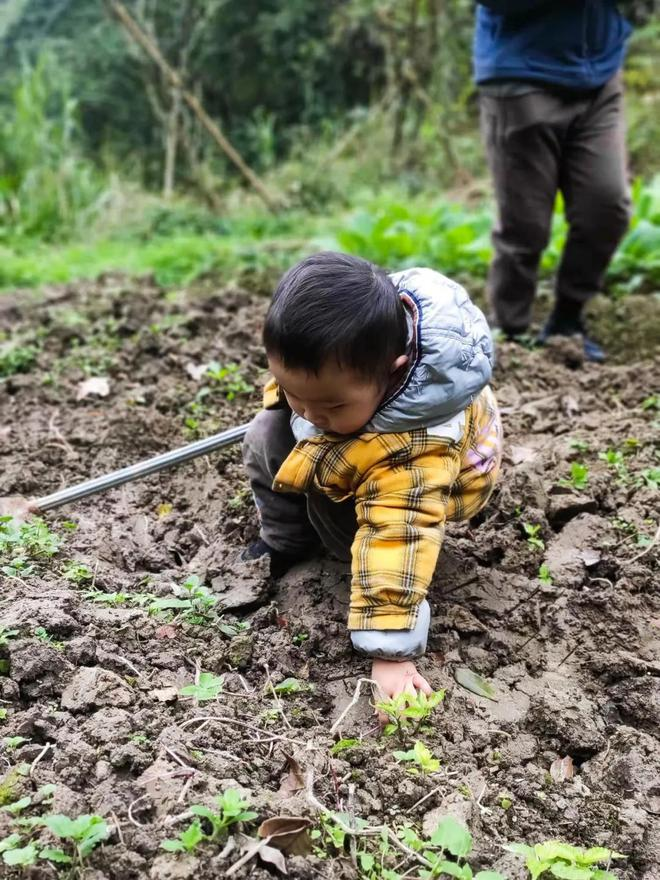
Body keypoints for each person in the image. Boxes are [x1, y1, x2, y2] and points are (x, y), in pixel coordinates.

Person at [242, 252, 502, 702]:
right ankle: (286, 540)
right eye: (294, 392)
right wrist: (304, 406)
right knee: (266, 432)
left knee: (337, 496)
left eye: (331, 405)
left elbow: (398, 530)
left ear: (392, 370)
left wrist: (391, 654)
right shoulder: (351, 347)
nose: (309, 412)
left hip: (445, 480)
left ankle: (343, 553)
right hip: (373, 434)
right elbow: (310, 389)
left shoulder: (421, 444)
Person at [475, 0, 633, 361]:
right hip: (522, 77)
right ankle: (511, 335)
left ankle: (567, 320)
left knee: (606, 207)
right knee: (525, 227)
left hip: (599, 72)